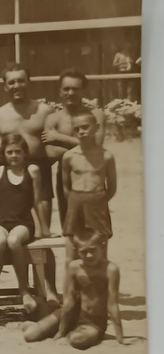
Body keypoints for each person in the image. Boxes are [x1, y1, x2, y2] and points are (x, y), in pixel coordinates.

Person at [0, 63, 58, 303]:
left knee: (42, 236)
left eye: (21, 80)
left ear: (29, 82)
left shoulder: (46, 111)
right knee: (9, 236)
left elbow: (59, 144)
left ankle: (47, 289)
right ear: (5, 85)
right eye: (12, 82)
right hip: (10, 176)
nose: (17, 85)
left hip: (39, 172)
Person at [22, 229, 123, 350]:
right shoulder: (74, 267)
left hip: (93, 322)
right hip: (70, 314)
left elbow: (112, 304)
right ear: (77, 251)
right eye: (84, 252)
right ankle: (43, 326)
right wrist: (61, 331)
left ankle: (53, 328)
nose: (89, 255)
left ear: (102, 246)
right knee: (29, 336)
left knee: (77, 341)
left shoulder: (110, 270)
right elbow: (69, 302)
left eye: (92, 250)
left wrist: (119, 336)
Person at [0, 134, 49, 313]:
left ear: (25, 153)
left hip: (22, 222)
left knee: (13, 241)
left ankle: (24, 290)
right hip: (0, 220)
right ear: (3, 154)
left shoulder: (32, 170)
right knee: (0, 241)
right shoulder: (0, 172)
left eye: (18, 152)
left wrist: (44, 228)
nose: (14, 156)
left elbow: (37, 200)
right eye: (9, 152)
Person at [43, 68, 107, 227]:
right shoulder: (53, 118)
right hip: (66, 177)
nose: (70, 93)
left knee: (96, 230)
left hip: (92, 175)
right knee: (70, 227)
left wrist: (59, 138)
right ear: (60, 91)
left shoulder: (96, 115)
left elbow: (97, 146)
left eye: (75, 89)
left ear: (83, 90)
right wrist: (84, 147)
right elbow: (50, 153)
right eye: (66, 88)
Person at [61, 112, 116, 263]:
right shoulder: (69, 156)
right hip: (75, 202)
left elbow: (112, 187)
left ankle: (100, 285)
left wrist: (98, 201)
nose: (81, 132)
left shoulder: (106, 156)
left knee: (100, 248)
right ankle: (71, 285)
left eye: (85, 127)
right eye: (77, 129)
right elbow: (65, 187)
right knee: (72, 247)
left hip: (97, 202)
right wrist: (75, 200)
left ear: (96, 127)